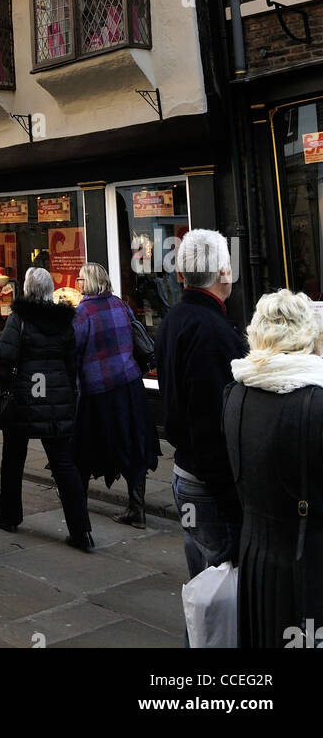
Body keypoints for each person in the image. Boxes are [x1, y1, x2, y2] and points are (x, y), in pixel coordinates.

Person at [223, 289, 323, 649]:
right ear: (308, 336)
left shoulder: (235, 395)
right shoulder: (315, 404)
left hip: (256, 564)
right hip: (307, 571)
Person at [155, 229, 244, 581]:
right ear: (224, 272)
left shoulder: (175, 319)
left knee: (203, 594)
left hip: (188, 475)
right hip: (209, 485)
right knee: (223, 596)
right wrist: (231, 501)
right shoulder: (210, 330)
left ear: (180, 275)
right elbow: (210, 425)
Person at [0, 267, 93, 549]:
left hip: (22, 399)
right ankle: (81, 530)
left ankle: (8, 516)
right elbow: (72, 363)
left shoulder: (18, 318)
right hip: (55, 400)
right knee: (63, 464)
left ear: (27, 289)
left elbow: (6, 355)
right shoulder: (64, 321)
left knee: (13, 459)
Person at [73, 262, 159, 531]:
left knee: (84, 447)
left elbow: (73, 351)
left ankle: (77, 504)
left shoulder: (83, 312)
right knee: (134, 443)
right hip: (129, 385)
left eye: (80, 279)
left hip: (97, 390)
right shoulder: (120, 305)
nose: (77, 283)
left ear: (89, 282)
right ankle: (138, 509)